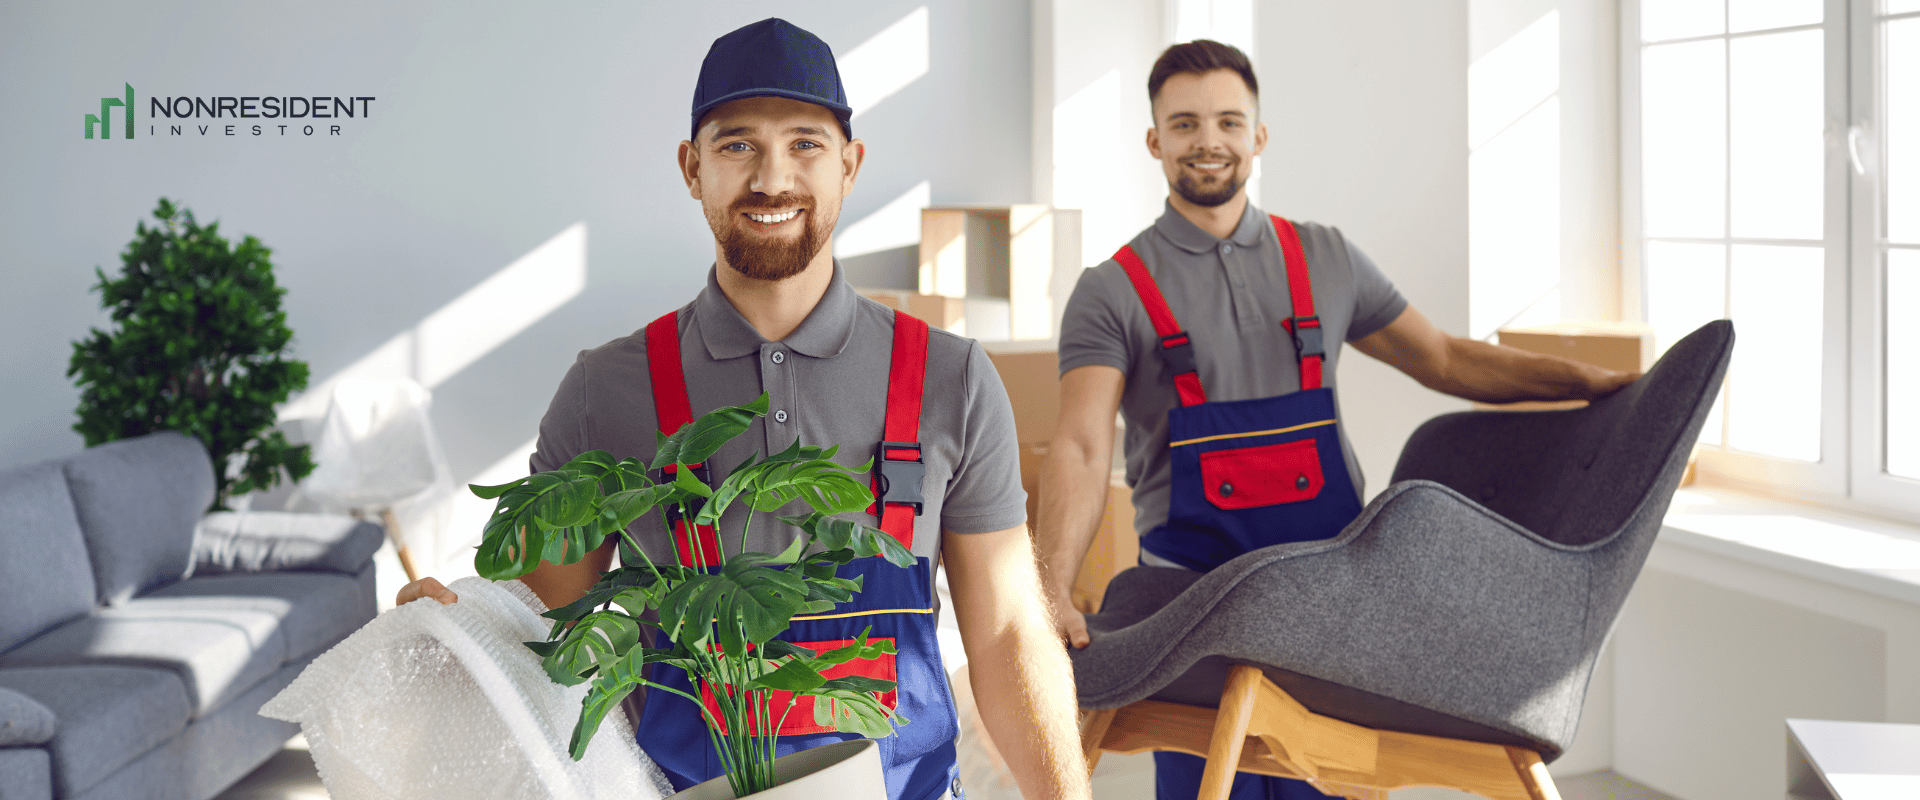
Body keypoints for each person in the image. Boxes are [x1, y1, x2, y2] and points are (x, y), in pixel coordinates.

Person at [399, 19, 1089, 800]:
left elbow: (1005, 634)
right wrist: (458, 629)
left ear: (850, 166)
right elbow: (543, 624)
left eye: (805, 144)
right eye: (737, 146)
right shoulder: (605, 392)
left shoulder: (951, 378)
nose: (772, 178)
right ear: (692, 168)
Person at [1034, 40, 1637, 800]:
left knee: (1331, 783)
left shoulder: (1325, 258)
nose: (1208, 141)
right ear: (1155, 142)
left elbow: (1446, 360)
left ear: (1259, 134)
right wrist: (1051, 587)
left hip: (1329, 606)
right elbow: (1084, 446)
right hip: (1193, 606)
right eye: (1184, 124)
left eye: (1228, 120)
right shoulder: (1112, 290)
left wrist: (1590, 383)